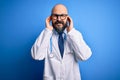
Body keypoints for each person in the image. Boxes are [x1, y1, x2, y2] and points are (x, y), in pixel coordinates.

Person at [31, 4, 92, 80]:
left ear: (67, 17)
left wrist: (71, 32)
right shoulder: (46, 35)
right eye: (55, 16)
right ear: (50, 18)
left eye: (62, 15)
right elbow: (36, 56)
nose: (59, 19)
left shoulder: (74, 35)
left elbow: (85, 56)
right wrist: (47, 30)